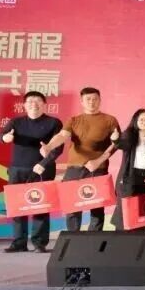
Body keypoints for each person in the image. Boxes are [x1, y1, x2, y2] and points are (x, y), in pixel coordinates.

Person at [39, 87, 120, 232]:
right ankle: (74, 238)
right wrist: (49, 146)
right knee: (72, 207)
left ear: (100, 100)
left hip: (98, 169)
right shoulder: (74, 120)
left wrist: (98, 161)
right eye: (88, 99)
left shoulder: (110, 120)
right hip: (74, 169)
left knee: (97, 208)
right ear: (82, 102)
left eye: (95, 99)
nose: (92, 102)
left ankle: (94, 239)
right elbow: (62, 136)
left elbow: (116, 144)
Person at [0, 91, 63, 253]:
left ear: (45, 104)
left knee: (41, 206)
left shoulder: (53, 123)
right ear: (24, 105)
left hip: (42, 169)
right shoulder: (16, 122)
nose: (34, 104)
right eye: (30, 101)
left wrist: (43, 163)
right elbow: (1, 136)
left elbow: (58, 148)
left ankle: (39, 242)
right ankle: (19, 242)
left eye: (38, 101)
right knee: (17, 206)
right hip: (17, 169)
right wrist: (5, 138)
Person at [110, 109, 145, 232]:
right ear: (136, 121)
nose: (144, 122)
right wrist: (115, 140)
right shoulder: (129, 135)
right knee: (125, 212)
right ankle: (119, 238)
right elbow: (122, 145)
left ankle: (138, 238)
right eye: (141, 120)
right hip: (129, 177)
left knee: (143, 210)